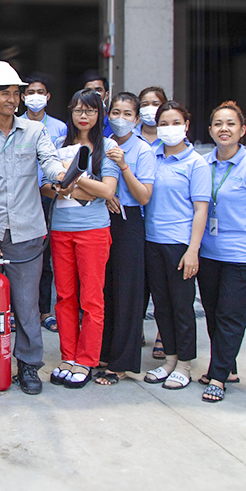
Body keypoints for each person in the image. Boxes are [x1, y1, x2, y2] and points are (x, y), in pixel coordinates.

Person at [0, 61, 64, 395]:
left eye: (16, 93)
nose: (13, 99)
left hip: (27, 233)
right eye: (5, 93)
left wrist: (60, 174)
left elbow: (49, 161)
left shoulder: (34, 132)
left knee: (26, 304)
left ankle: (28, 364)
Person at [197, 101, 246, 403]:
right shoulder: (202, 164)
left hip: (243, 255)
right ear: (210, 130)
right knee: (213, 314)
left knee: (231, 316)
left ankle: (217, 377)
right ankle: (227, 367)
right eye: (218, 123)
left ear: (242, 130)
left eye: (231, 124)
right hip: (209, 253)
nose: (224, 129)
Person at [43, 89, 119, 389]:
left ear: (100, 114)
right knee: (64, 297)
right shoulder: (59, 146)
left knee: (91, 298)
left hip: (93, 231)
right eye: (78, 110)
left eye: (90, 110)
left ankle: (86, 360)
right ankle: (68, 356)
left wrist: (71, 180)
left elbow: (108, 191)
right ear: (70, 113)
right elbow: (46, 186)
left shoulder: (108, 147)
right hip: (61, 230)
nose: (83, 116)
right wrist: (73, 186)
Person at [142, 101, 211, 391]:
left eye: (175, 123)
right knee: (161, 306)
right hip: (152, 240)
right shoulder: (151, 156)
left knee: (182, 307)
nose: (169, 129)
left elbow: (201, 209)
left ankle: (184, 364)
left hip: (180, 244)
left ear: (186, 126)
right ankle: (169, 360)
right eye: (163, 124)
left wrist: (193, 249)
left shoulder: (196, 163)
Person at [96, 92, 154, 386]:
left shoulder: (142, 150)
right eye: (115, 113)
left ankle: (122, 363)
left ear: (137, 118)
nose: (120, 119)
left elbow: (144, 196)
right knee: (105, 290)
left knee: (127, 293)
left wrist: (123, 166)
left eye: (127, 113)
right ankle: (105, 353)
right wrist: (106, 195)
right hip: (103, 219)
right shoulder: (103, 144)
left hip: (130, 222)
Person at [22, 72, 67, 334]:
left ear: (48, 96)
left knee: (46, 255)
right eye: (30, 92)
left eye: (40, 92)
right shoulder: (16, 124)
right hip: (23, 197)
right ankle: (18, 311)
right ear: (22, 97)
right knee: (22, 254)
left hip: (50, 196)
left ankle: (45, 311)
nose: (35, 97)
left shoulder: (60, 128)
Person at [138, 85, 169, 359]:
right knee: (137, 282)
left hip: (162, 221)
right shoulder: (128, 138)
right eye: (145, 103)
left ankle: (163, 333)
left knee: (163, 284)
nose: (150, 109)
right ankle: (135, 327)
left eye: (155, 103)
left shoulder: (171, 141)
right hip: (134, 222)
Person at [81, 70, 114, 137]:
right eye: (89, 91)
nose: (94, 94)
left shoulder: (114, 122)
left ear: (107, 95)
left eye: (98, 90)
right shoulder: (76, 122)